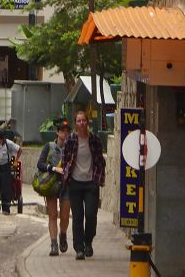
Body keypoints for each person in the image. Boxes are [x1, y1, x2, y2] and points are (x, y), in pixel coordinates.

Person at [61, 110, 106, 260]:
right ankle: (79, 248)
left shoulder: (95, 140)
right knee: (78, 217)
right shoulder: (71, 140)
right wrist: (67, 174)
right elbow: (65, 158)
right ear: (76, 123)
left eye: (84, 120)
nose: (81, 123)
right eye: (79, 121)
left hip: (91, 183)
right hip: (75, 183)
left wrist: (99, 178)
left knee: (91, 215)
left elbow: (100, 160)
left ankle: (88, 242)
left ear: (88, 122)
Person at [37, 119, 72, 256]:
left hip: (67, 185)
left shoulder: (72, 147)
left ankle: (63, 234)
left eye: (67, 131)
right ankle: (53, 244)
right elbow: (40, 164)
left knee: (64, 216)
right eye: (62, 131)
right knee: (52, 214)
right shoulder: (49, 146)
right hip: (51, 184)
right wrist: (52, 168)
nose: (65, 133)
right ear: (57, 132)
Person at [0, 128, 22, 215]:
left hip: (6, 167)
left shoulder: (8, 144)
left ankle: (6, 209)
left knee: (6, 188)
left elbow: (19, 150)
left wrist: (16, 160)